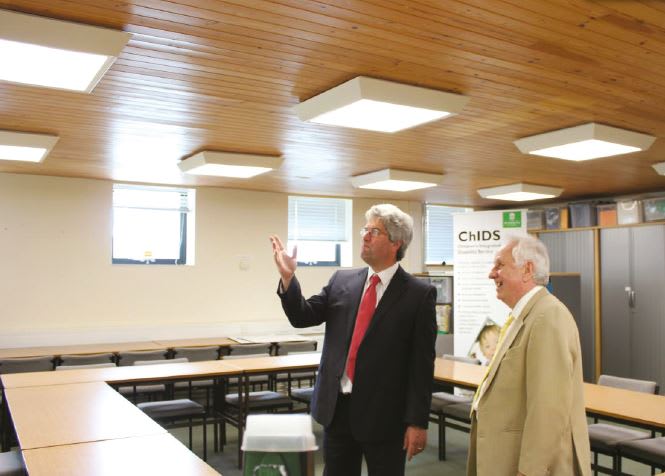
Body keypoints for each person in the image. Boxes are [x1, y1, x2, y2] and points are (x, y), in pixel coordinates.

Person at [270, 203, 436, 476]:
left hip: (385, 415)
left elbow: (422, 364)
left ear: (396, 242)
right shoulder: (342, 280)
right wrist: (288, 278)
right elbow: (303, 316)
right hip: (338, 409)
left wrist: (417, 422)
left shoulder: (419, 294)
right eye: (365, 229)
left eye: (375, 232)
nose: (365, 236)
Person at [467, 235, 591, 476]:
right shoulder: (525, 315)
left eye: (500, 265)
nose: (491, 274)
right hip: (506, 454)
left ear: (527, 270)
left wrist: (530, 471)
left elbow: (548, 406)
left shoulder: (548, 316)